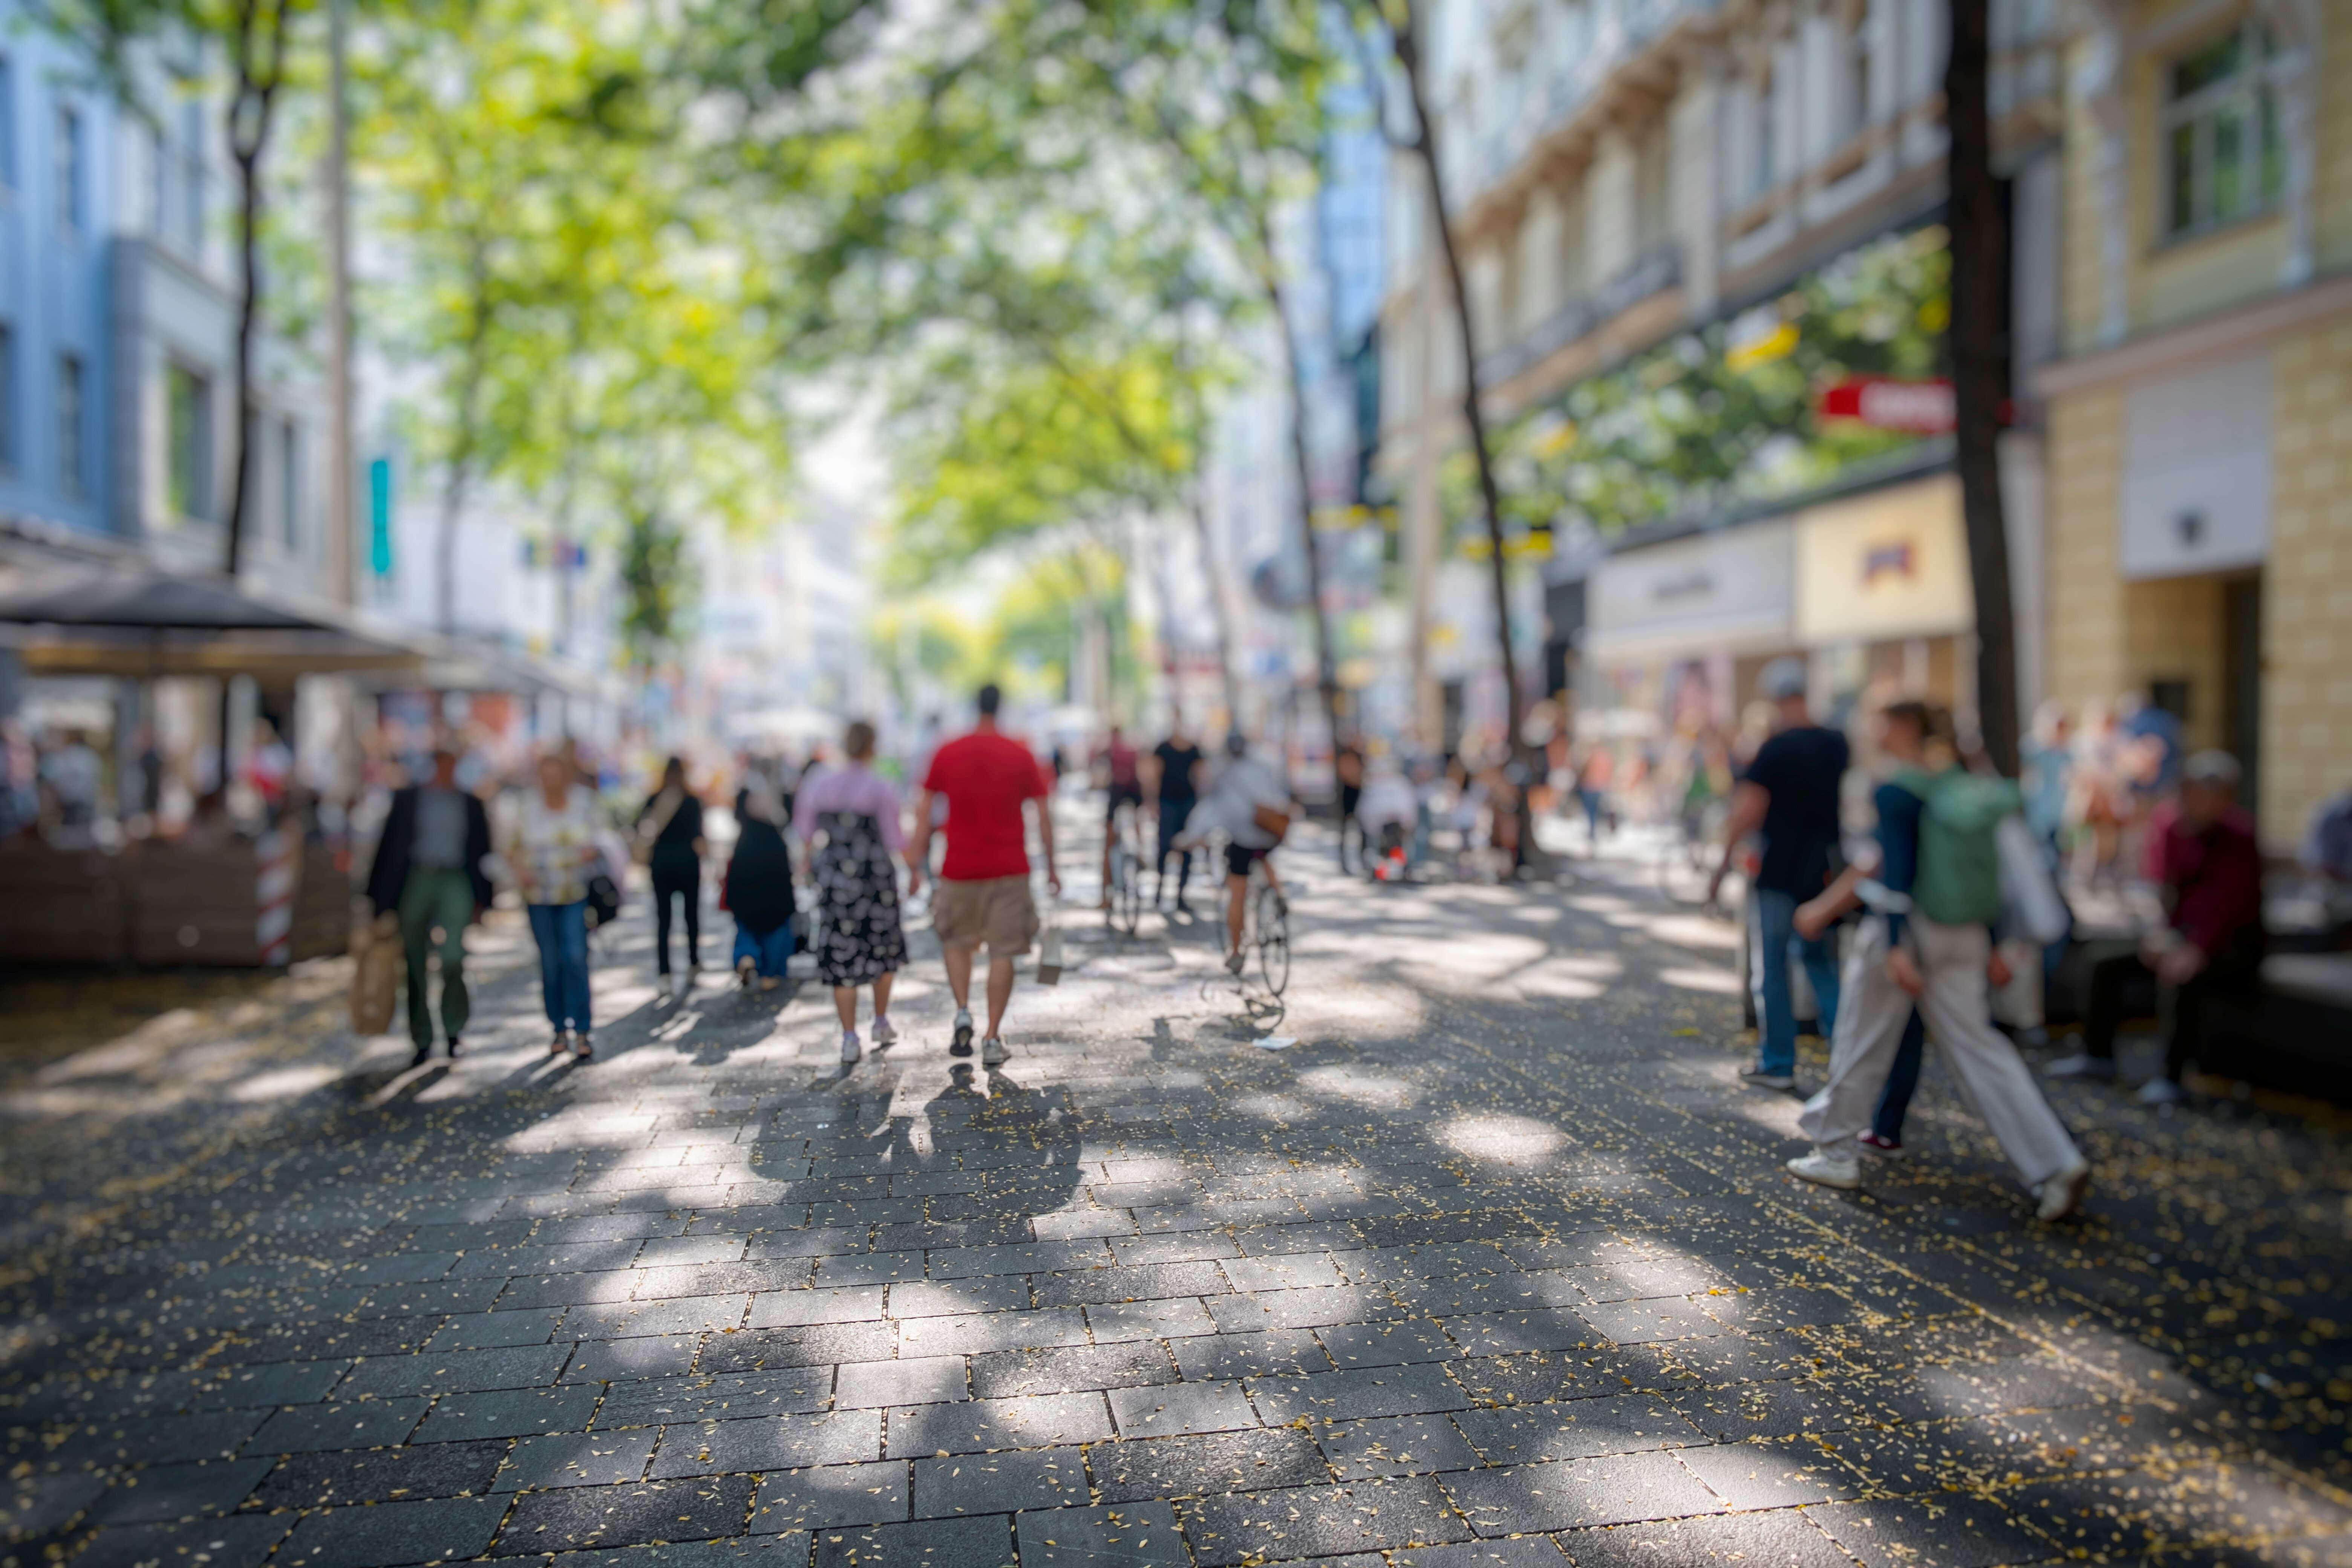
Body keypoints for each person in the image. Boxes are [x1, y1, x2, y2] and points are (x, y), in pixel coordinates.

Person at [1786, 702, 2091, 1220]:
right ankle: (2054, 1162)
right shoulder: (1960, 785)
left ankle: (1835, 1151)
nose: (1874, 729)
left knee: (1862, 1039)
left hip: (1905, 933)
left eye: (1883, 721)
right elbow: (1989, 868)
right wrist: (1996, 942)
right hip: (1966, 931)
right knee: (1981, 1048)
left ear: (1905, 728)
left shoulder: (1897, 789)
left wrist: (1899, 944)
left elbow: (1896, 871)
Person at [2053, 750, 2264, 1103]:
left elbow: (2226, 904)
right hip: (2181, 933)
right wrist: (2162, 936)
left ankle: (2172, 1076)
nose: (2196, 802)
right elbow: (2163, 891)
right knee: (2103, 962)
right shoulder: (2170, 824)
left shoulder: (2239, 835)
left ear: (2225, 798)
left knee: (2181, 977)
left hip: (2230, 943)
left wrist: (2195, 948)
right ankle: (2097, 1056)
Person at [1708, 658, 1849, 1090]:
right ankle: (1848, 1058)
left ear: (1774, 698)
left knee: (1771, 967)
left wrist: (1719, 867)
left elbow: (1748, 810)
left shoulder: (1775, 749)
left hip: (1778, 869)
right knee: (1820, 961)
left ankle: (1779, 1062)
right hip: (1823, 867)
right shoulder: (1836, 743)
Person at [912, 684, 1059, 1065]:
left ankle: (963, 1009)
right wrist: (1053, 867)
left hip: (959, 867)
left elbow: (925, 811)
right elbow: (1044, 814)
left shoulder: (947, 751)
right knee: (1003, 950)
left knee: (956, 940)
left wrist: (915, 863)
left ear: (974, 705)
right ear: (1002, 706)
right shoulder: (1021, 752)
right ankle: (992, 1036)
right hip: (1009, 868)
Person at [364, 746, 495, 1067]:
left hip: (454, 879)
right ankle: (421, 1037)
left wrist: (485, 900)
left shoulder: (470, 802)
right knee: (414, 959)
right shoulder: (409, 798)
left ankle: (453, 1030)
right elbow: (388, 846)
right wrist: (377, 901)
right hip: (417, 879)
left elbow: (483, 851)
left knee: (452, 957)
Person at [798, 720, 913, 1064]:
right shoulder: (881, 786)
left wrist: (806, 867)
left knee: (841, 952)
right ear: (872, 746)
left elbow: (805, 832)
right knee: (882, 948)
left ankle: (849, 1037)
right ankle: (880, 1021)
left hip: (835, 878)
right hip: (875, 877)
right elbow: (895, 839)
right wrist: (916, 870)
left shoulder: (819, 782)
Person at [510, 752, 603, 1060]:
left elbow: (601, 838)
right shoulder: (526, 806)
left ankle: (583, 1028)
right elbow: (510, 846)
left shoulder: (584, 803)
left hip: (574, 891)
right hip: (538, 896)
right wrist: (519, 870)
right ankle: (559, 1027)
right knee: (550, 963)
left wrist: (589, 851)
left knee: (574, 957)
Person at [1182, 732, 1294, 975]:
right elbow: (1281, 797)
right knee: (1264, 856)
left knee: (1238, 893)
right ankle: (1278, 894)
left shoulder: (1224, 774)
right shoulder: (1264, 768)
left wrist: (1195, 836)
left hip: (1243, 837)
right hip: (1271, 831)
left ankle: (1235, 951)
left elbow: (1213, 809)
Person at [637, 756, 707, 1000]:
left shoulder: (654, 799)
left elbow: (640, 828)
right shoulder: (692, 801)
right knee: (691, 917)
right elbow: (700, 838)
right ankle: (693, 964)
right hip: (688, 864)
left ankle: (664, 973)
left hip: (661, 865)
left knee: (663, 920)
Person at [727, 760, 799, 994]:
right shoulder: (783, 793)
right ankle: (770, 973)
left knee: (745, 916)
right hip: (775, 860)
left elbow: (736, 817)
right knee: (778, 921)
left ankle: (747, 953)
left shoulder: (745, 792)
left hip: (745, 856)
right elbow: (790, 821)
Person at [1149, 721, 1205, 913]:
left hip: (1187, 802)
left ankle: (1181, 895)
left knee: (1187, 849)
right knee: (1164, 847)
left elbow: (1200, 775)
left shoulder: (1194, 750)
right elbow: (1155, 774)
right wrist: (1153, 800)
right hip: (1167, 802)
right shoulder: (1163, 749)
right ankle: (1160, 889)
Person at [1095, 724, 1144, 910]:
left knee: (1107, 846)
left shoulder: (1110, 748)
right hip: (1134, 791)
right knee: (1137, 821)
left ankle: (1105, 897)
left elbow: (1097, 767)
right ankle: (1140, 851)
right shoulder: (1131, 747)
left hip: (1116, 791)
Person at [1334, 741, 1366, 874]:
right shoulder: (1344, 757)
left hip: (1360, 800)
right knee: (1345, 833)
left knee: (1363, 833)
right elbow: (1350, 776)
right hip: (1346, 799)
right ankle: (1344, 863)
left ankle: (1364, 862)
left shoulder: (1360, 757)